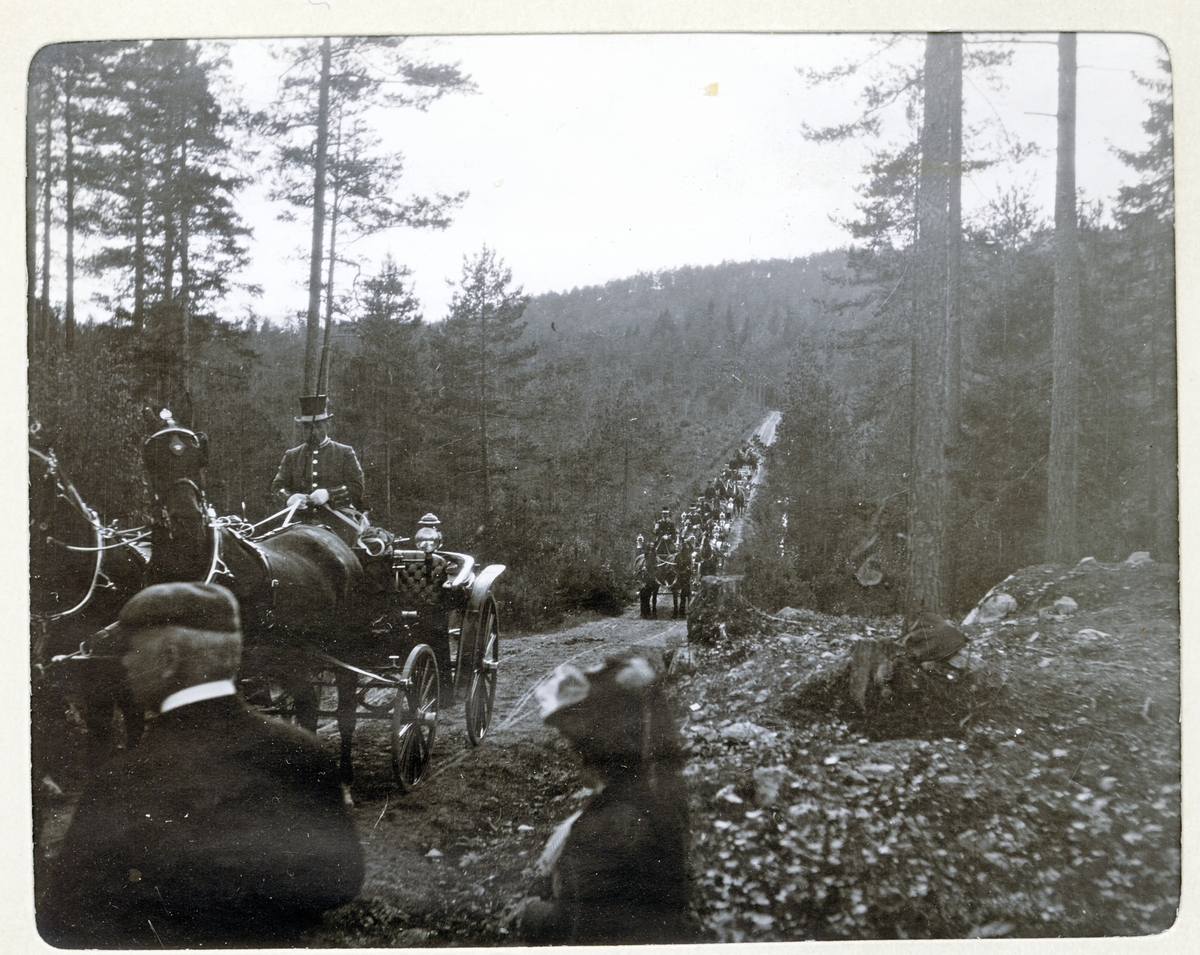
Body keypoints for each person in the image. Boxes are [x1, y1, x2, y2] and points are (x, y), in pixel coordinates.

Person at [39, 582, 364, 948]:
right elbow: (342, 880)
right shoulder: (303, 753)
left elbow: (61, 923)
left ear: (169, 660)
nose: (124, 663)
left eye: (130, 649)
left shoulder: (122, 782)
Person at [512, 652, 696, 944]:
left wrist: (530, 914)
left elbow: (576, 927)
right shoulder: (659, 793)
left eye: (580, 746)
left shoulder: (606, 828)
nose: (577, 753)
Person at [271, 394, 366, 526]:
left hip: (338, 521)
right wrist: (289, 498)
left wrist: (329, 494)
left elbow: (357, 488)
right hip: (298, 522)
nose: (313, 432)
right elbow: (277, 486)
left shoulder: (344, 452)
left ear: (328, 425)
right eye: (307, 427)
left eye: (318, 426)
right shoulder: (292, 455)